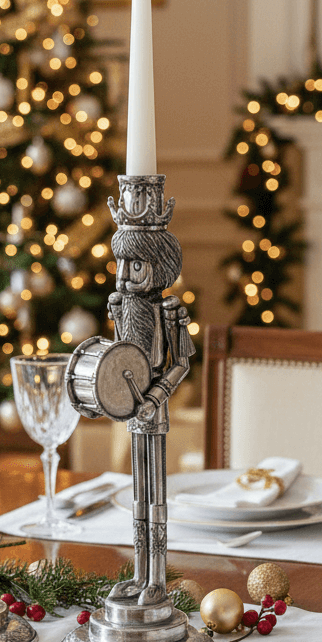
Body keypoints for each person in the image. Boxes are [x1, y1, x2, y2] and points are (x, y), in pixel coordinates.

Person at [104, 176, 195, 607]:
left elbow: (180, 363)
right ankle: (138, 575)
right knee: (136, 493)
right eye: (121, 266)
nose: (124, 277)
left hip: (153, 410)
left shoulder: (170, 311)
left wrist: (157, 397)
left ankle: (156, 576)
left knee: (155, 494)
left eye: (135, 267)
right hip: (130, 409)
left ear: (158, 267)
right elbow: (122, 357)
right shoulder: (125, 306)